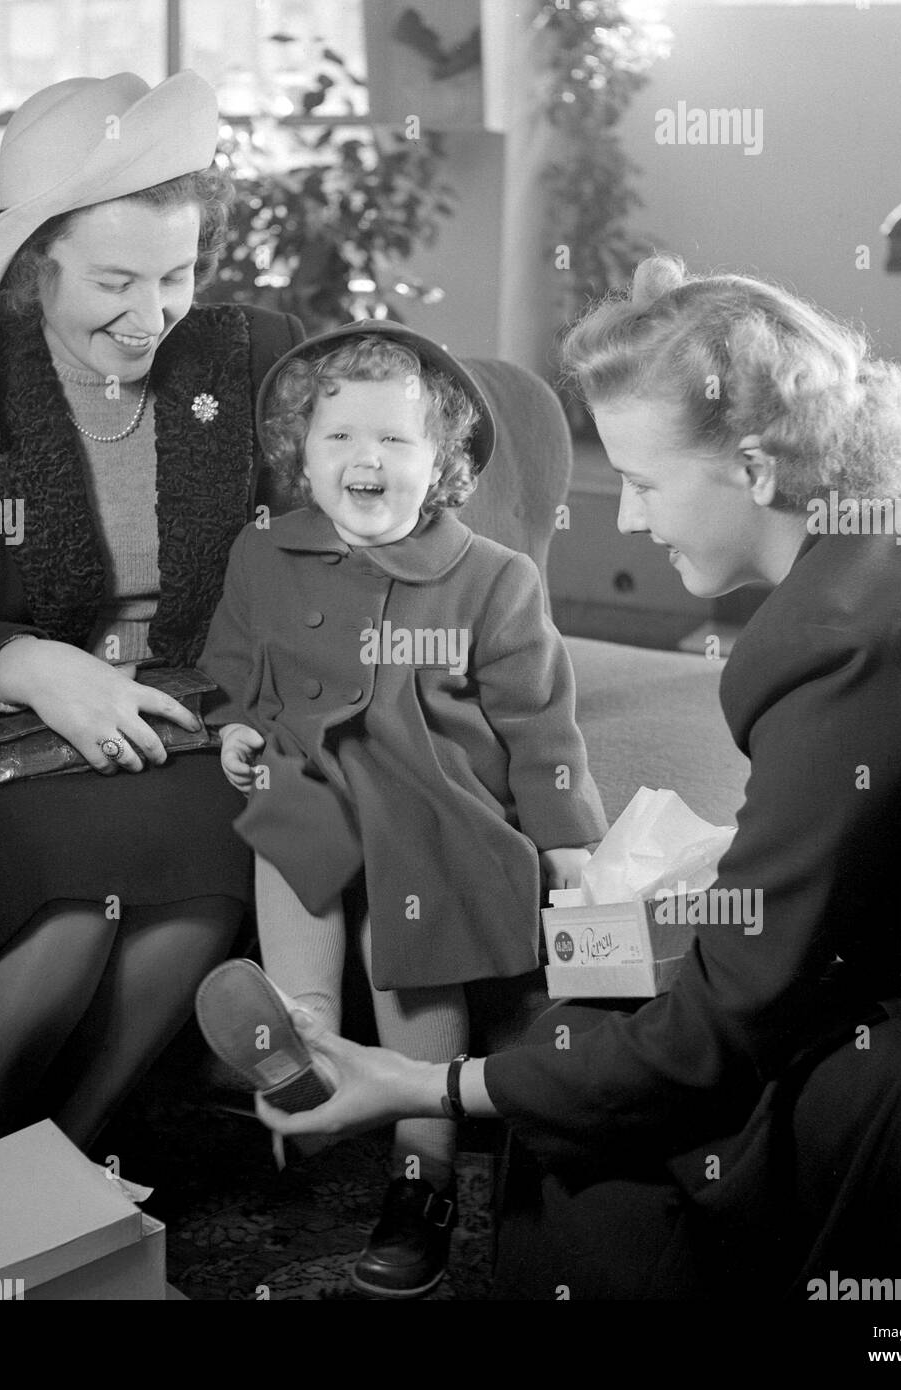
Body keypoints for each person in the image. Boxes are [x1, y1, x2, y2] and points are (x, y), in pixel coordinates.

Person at [253, 256, 901, 1300]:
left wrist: (423, 1082)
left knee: (591, 1084)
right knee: (593, 1032)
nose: (627, 521)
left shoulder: (841, 644)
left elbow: (727, 1022)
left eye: (638, 482)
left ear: (757, 468)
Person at [0, 71, 303, 1167]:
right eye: (114, 281)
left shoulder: (249, 355)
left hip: (184, 728)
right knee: (71, 914)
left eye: (178, 275)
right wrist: (34, 666)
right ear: (33, 270)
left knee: (193, 895)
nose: (153, 314)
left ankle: (55, 1179)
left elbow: (327, 539)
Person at [197, 321, 606, 1297]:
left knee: (410, 952)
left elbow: (544, 733)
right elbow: (235, 670)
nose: (366, 459)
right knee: (290, 834)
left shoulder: (496, 579)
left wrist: (572, 851)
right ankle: (295, 1035)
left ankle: (422, 1179)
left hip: (439, 816)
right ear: (301, 451)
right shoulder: (265, 556)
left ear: (448, 462)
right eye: (339, 438)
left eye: (395, 440)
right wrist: (238, 728)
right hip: (314, 785)